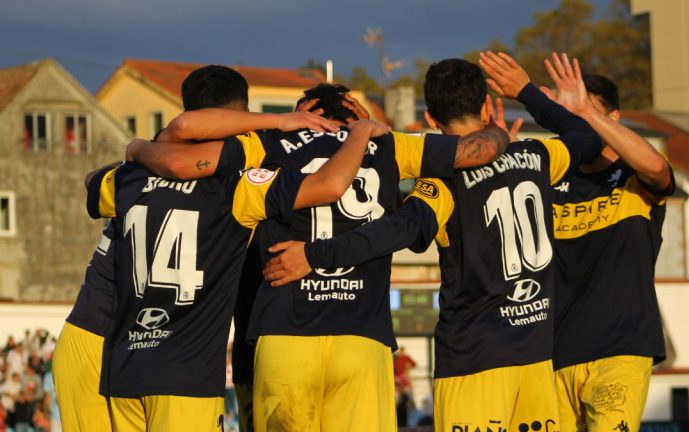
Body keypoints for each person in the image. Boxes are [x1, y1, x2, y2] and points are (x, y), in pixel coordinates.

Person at [142, 82, 511, 431]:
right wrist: (499, 131)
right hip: (361, 339)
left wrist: (277, 122)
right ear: (357, 118)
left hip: (284, 336)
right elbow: (474, 151)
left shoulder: (269, 141)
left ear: (303, 116)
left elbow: (184, 141)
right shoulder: (390, 145)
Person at [262, 55, 602, 431]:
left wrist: (316, 254)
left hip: (475, 358)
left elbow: (394, 231)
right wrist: (526, 92)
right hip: (537, 354)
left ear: (429, 120)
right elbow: (586, 136)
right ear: (487, 105)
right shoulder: (536, 157)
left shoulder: (442, 185)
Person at [52, 64, 337, 432]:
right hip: (138, 349)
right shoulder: (243, 159)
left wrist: (137, 150)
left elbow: (95, 181)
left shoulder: (144, 163)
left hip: (98, 338)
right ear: (239, 116)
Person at [536, 53, 674, 432]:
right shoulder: (550, 182)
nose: (577, 125)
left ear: (614, 119)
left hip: (621, 349)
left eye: (589, 114)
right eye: (569, 118)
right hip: (555, 354)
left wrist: (585, 113)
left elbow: (658, 168)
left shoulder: (635, 175)